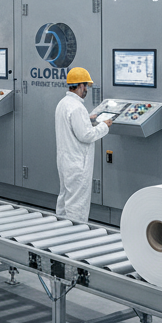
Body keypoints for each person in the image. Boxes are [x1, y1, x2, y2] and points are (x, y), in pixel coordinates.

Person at [54, 67, 112, 224]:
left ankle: (59, 228)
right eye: (86, 85)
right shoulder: (77, 107)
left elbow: (74, 125)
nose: (86, 89)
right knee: (77, 202)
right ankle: (75, 232)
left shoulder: (63, 103)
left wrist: (88, 118)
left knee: (65, 197)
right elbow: (86, 135)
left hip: (65, 160)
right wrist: (104, 125)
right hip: (78, 163)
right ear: (80, 85)